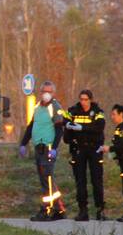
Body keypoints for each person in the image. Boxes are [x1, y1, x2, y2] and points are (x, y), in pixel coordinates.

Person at [19, 81, 67, 221]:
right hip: (38, 147)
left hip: (48, 148)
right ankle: (58, 209)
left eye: (49, 91)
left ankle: (48, 209)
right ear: (40, 92)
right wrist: (23, 143)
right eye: (44, 91)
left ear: (53, 93)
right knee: (45, 179)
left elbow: (59, 129)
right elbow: (31, 126)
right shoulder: (37, 107)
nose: (46, 94)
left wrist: (55, 148)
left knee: (47, 178)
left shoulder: (55, 107)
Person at [62, 89, 107, 221]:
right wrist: (68, 125)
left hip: (94, 149)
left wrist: (81, 128)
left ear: (91, 100)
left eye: (86, 99)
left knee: (96, 180)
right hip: (79, 149)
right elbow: (64, 119)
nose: (83, 102)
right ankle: (83, 211)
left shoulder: (98, 112)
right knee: (80, 181)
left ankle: (100, 210)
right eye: (81, 99)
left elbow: (99, 127)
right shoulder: (73, 110)